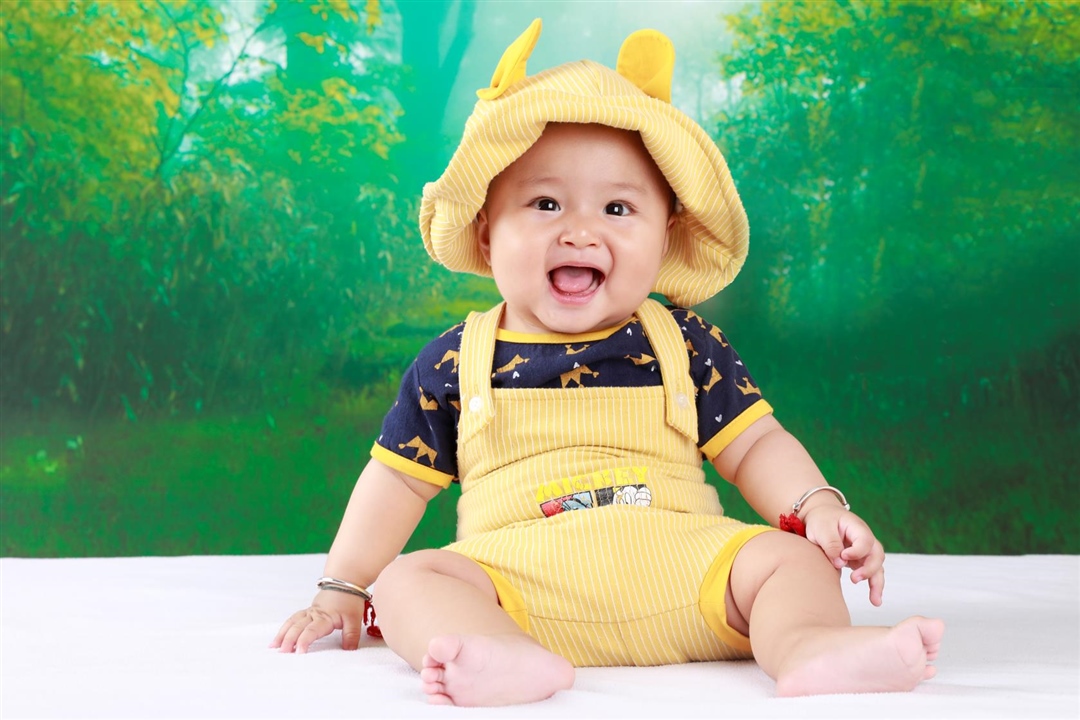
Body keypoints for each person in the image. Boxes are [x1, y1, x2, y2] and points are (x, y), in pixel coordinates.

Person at [271, 19, 944, 706]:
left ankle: (807, 646)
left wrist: (817, 505)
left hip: (688, 571)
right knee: (408, 583)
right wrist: (342, 585)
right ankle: (500, 656)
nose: (581, 231)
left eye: (618, 207)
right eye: (545, 203)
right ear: (487, 231)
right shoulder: (454, 360)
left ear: (665, 236)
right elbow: (395, 481)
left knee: (792, 561)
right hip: (519, 588)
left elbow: (756, 443)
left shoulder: (684, 341)